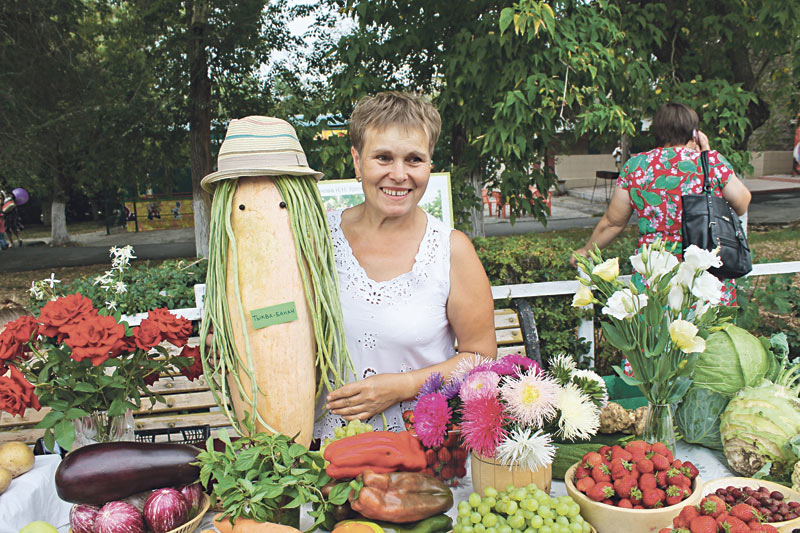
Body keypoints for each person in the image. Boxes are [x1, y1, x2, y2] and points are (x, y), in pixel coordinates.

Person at [314, 91, 497, 439]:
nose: (399, 174)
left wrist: (401, 386)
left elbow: (481, 358)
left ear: (430, 165)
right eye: (383, 157)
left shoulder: (450, 250)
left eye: (414, 159)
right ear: (356, 161)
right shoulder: (317, 240)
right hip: (322, 456)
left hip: (423, 452)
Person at [570, 102, 751, 305]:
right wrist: (707, 153)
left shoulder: (635, 167)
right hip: (702, 268)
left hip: (654, 270)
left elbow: (614, 222)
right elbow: (742, 202)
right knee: (703, 332)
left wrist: (586, 250)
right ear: (694, 132)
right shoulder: (709, 162)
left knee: (656, 332)